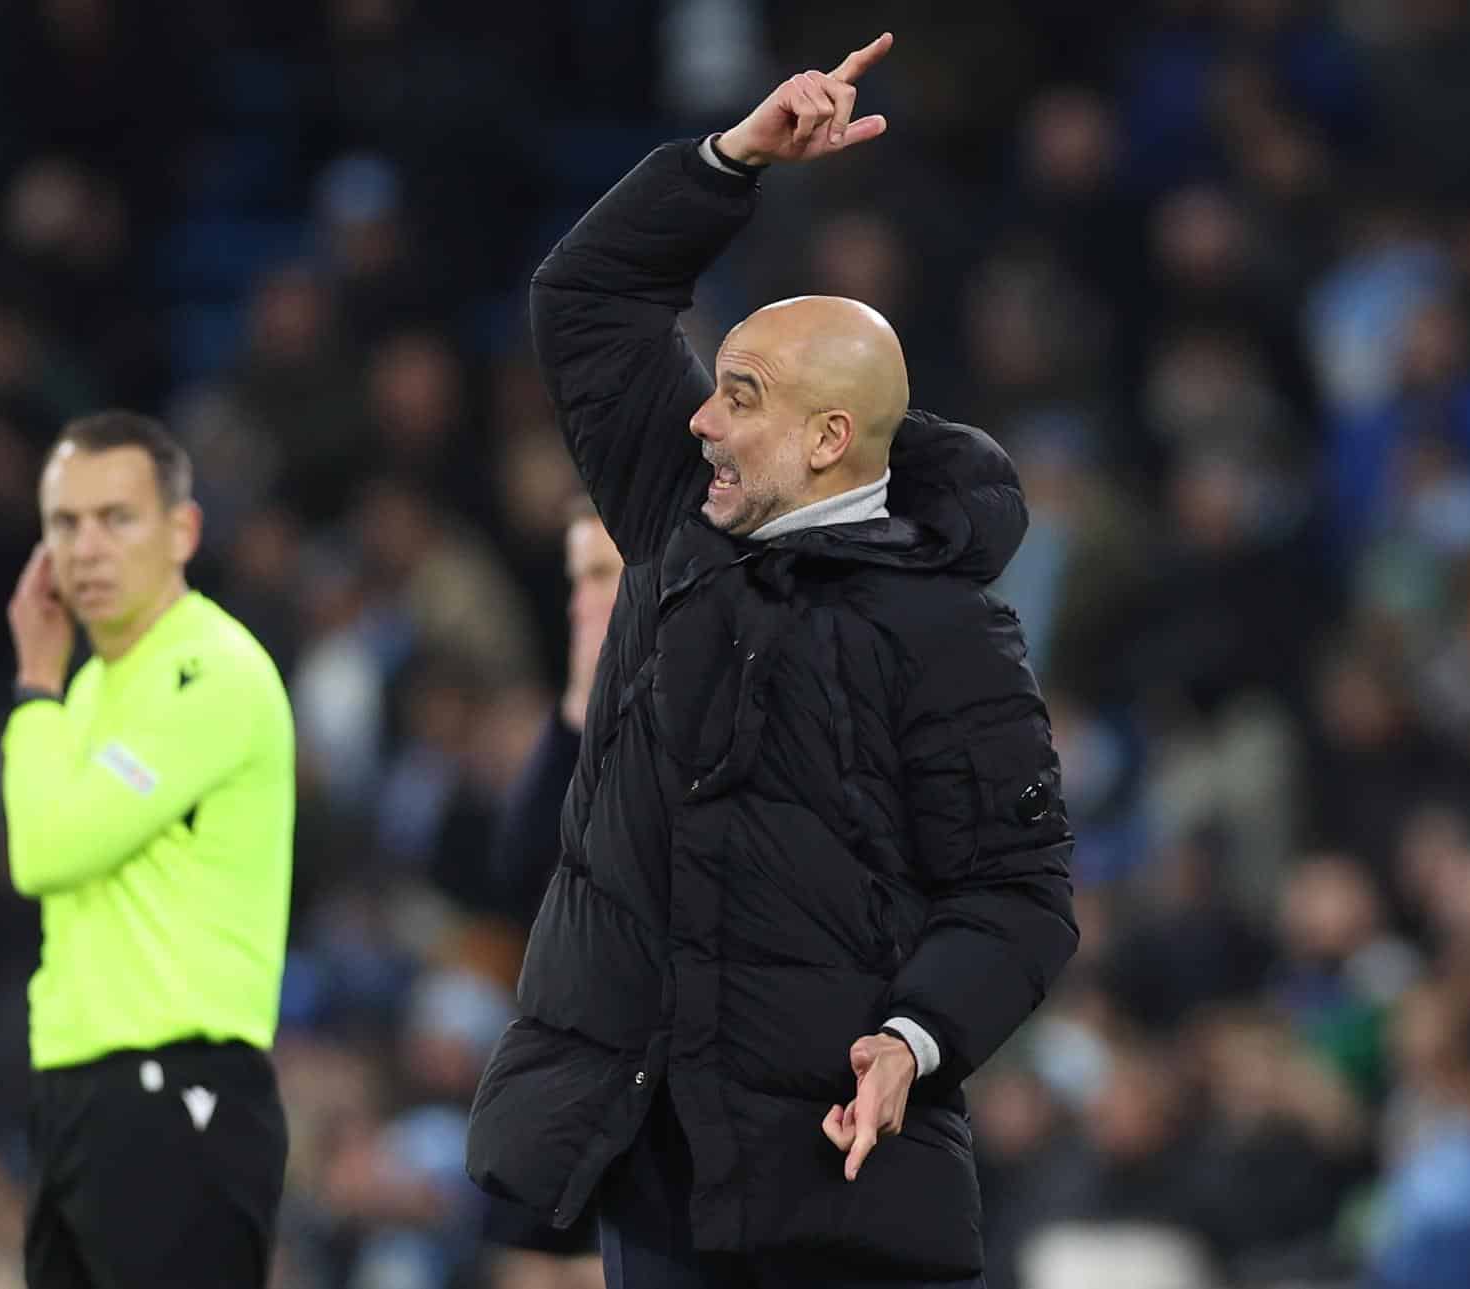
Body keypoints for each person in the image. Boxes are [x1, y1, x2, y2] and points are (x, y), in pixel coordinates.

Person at [466, 32, 1080, 1288]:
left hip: (834, 1173)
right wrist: (732, 159)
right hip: (651, 1147)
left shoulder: (948, 631)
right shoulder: (672, 511)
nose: (700, 413)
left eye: (739, 393)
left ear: (828, 439)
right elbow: (585, 298)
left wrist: (916, 1036)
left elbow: (1020, 893)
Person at [0, 411, 294, 1288]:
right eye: (64, 522)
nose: (84, 546)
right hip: (75, 1093)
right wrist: (50, 689)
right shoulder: (86, 688)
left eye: (115, 517)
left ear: (182, 530)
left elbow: (42, 849)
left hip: (177, 1088)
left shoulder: (211, 669)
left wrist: (33, 686)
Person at [478, 502, 622, 1285]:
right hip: (570, 1055)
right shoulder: (579, 726)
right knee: (525, 1261)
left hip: (664, 1074)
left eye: (599, 576)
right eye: (575, 580)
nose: (579, 600)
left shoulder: (697, 707)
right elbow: (519, 865)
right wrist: (577, 695)